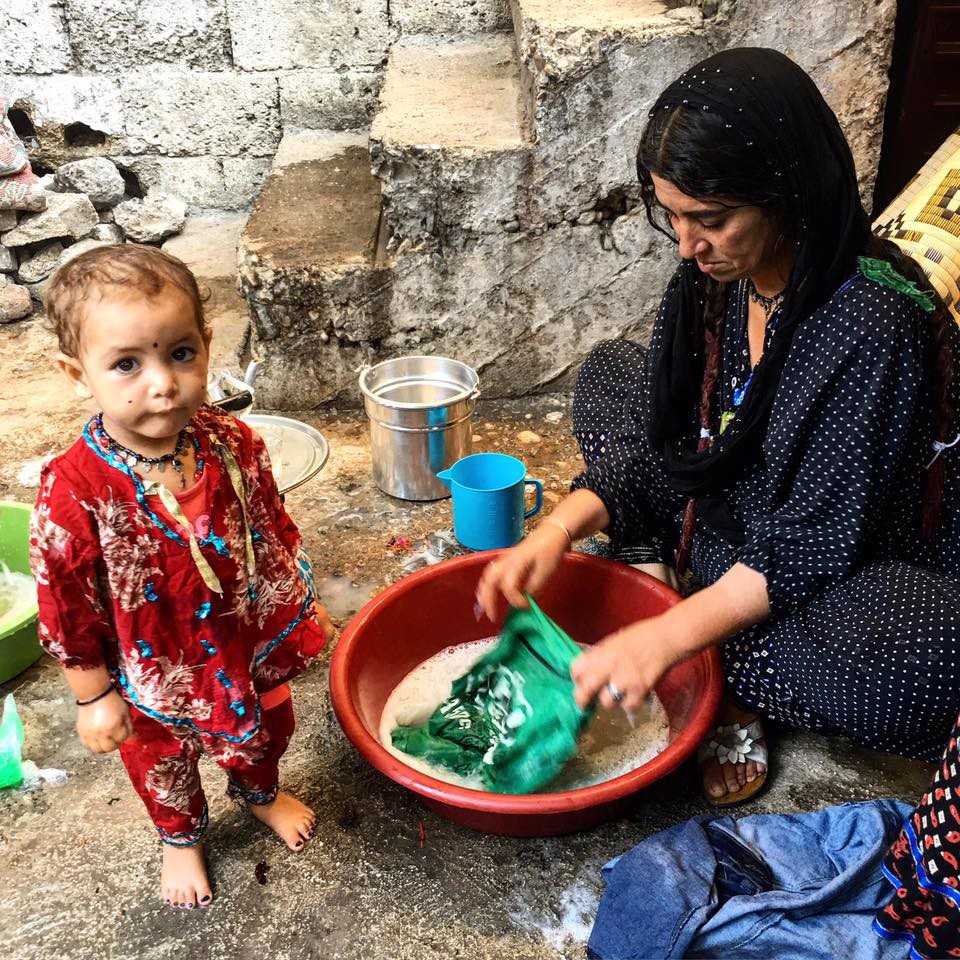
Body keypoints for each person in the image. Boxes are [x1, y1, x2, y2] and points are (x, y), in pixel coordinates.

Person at [477, 48, 960, 811]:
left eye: (711, 220)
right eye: (671, 215)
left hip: (827, 565)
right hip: (727, 514)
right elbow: (673, 447)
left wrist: (665, 639)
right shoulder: (717, 283)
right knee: (610, 372)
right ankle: (680, 594)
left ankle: (707, 645)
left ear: (788, 195)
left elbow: (811, 546)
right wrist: (558, 529)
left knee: (934, 652)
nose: (686, 245)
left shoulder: (871, 324)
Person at [29, 244, 333, 910]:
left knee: (267, 729)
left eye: (181, 353)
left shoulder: (232, 441)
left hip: (243, 643)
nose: (162, 383)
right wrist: (92, 696)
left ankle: (259, 794)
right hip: (152, 668)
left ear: (206, 343)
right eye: (127, 365)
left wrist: (297, 604)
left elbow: (270, 522)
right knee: (162, 764)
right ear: (77, 373)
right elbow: (64, 610)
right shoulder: (74, 492)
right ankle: (181, 838)